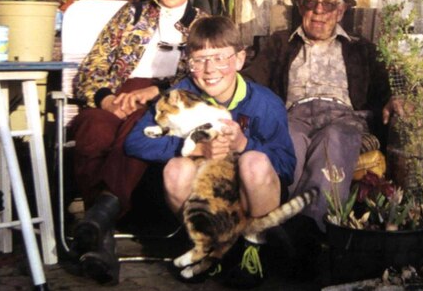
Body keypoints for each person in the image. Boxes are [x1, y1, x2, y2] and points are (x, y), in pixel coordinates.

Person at [69, 0, 207, 283]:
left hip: (165, 102)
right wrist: (104, 99)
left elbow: (202, 77)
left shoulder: (202, 25)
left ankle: (99, 227)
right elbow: (93, 66)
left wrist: (156, 91)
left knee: (137, 130)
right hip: (115, 96)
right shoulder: (130, 13)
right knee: (93, 130)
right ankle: (102, 234)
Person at [125, 16, 295, 288]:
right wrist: (195, 148)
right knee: (176, 169)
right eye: (199, 60)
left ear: (239, 60)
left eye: (219, 58)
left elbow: (286, 166)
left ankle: (254, 252)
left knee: (254, 162)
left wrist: (244, 145)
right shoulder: (180, 95)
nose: (209, 69)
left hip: (253, 196)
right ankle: (210, 247)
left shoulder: (265, 102)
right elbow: (135, 141)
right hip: (211, 197)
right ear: (188, 63)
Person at [243, 0, 407, 237]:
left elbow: (385, 90)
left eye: (328, 4)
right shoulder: (280, 43)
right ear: (301, 6)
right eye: (311, 2)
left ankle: (312, 229)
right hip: (293, 115)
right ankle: (280, 229)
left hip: (343, 117)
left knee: (332, 140)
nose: (319, 11)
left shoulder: (361, 49)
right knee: (289, 142)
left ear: (340, 11)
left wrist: (394, 99)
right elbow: (251, 82)